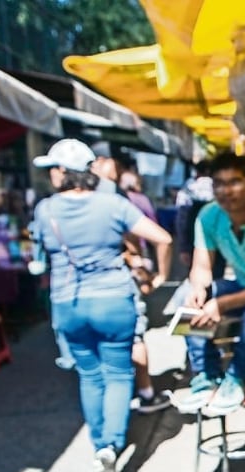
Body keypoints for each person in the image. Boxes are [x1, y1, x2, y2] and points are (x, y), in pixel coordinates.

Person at [31, 139, 172, 472]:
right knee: (119, 373)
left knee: (90, 376)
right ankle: (112, 443)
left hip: (68, 304)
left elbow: (38, 261)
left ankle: (99, 446)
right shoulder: (112, 205)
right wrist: (160, 277)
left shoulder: (45, 210)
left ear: (66, 172)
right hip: (113, 301)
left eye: (54, 167)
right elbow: (162, 238)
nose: (50, 174)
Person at [171, 152, 245, 416]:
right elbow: (201, 268)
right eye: (219, 183)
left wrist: (222, 303)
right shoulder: (208, 215)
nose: (227, 191)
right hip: (240, 286)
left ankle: (236, 377)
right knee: (187, 294)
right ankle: (206, 375)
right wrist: (198, 290)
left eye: (235, 182)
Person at [91, 145, 172, 413]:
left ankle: (126, 400)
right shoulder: (114, 200)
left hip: (89, 293)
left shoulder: (71, 204)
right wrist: (152, 272)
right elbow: (156, 238)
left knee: (105, 359)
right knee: (133, 341)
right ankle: (145, 393)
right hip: (117, 286)